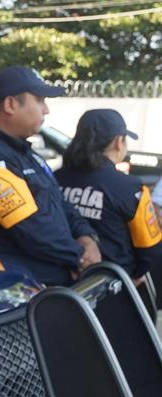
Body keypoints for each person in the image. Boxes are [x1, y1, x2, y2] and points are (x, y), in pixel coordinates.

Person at [0, 66, 101, 285]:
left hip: (45, 281)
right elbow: (32, 229)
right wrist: (79, 257)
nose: (46, 110)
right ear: (10, 104)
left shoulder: (23, 153)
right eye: (39, 100)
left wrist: (87, 237)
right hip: (14, 289)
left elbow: (59, 202)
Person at [55, 108, 162, 284]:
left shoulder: (55, 178)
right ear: (118, 142)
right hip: (112, 285)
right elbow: (149, 248)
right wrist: (135, 274)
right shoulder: (129, 186)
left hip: (64, 283)